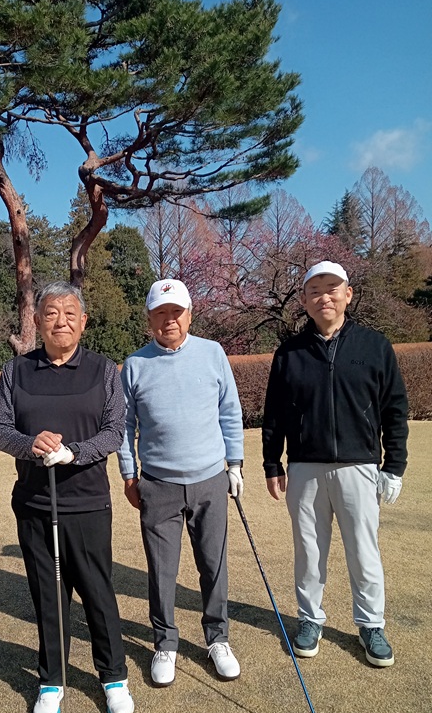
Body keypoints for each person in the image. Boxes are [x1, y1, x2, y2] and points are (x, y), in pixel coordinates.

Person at [0, 281, 134, 713]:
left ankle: (113, 677)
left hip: (88, 503)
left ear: (83, 322)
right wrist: (31, 444)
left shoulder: (103, 370)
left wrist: (76, 452)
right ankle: (51, 680)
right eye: (51, 314)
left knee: (98, 594)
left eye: (70, 314)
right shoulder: (16, 371)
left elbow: (114, 430)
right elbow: (0, 431)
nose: (61, 321)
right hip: (35, 504)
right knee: (48, 596)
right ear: (37, 321)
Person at [262, 260, 408, 668]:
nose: (323, 297)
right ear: (304, 300)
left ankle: (371, 624)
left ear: (348, 294)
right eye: (314, 291)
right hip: (305, 467)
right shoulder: (289, 353)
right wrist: (272, 463)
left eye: (332, 288)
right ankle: (310, 619)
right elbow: (274, 415)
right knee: (309, 551)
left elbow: (395, 409)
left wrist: (394, 465)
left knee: (364, 551)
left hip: (359, 467)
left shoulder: (374, 346)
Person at [117, 278, 245, 687]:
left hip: (210, 479)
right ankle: (165, 643)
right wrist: (129, 474)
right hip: (159, 484)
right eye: (161, 313)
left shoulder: (212, 353)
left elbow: (230, 411)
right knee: (161, 570)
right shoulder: (135, 365)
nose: (169, 320)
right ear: (149, 319)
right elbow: (124, 425)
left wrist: (235, 464)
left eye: (176, 312)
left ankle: (218, 638)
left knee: (214, 565)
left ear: (189, 315)